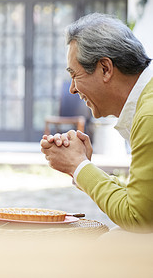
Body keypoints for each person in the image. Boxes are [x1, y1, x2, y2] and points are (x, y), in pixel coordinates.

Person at [40, 13, 153, 233]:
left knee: (115, 242)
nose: (72, 88)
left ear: (105, 68)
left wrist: (78, 166)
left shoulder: (149, 115)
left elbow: (139, 217)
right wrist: (83, 168)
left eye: (75, 75)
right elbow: (143, 201)